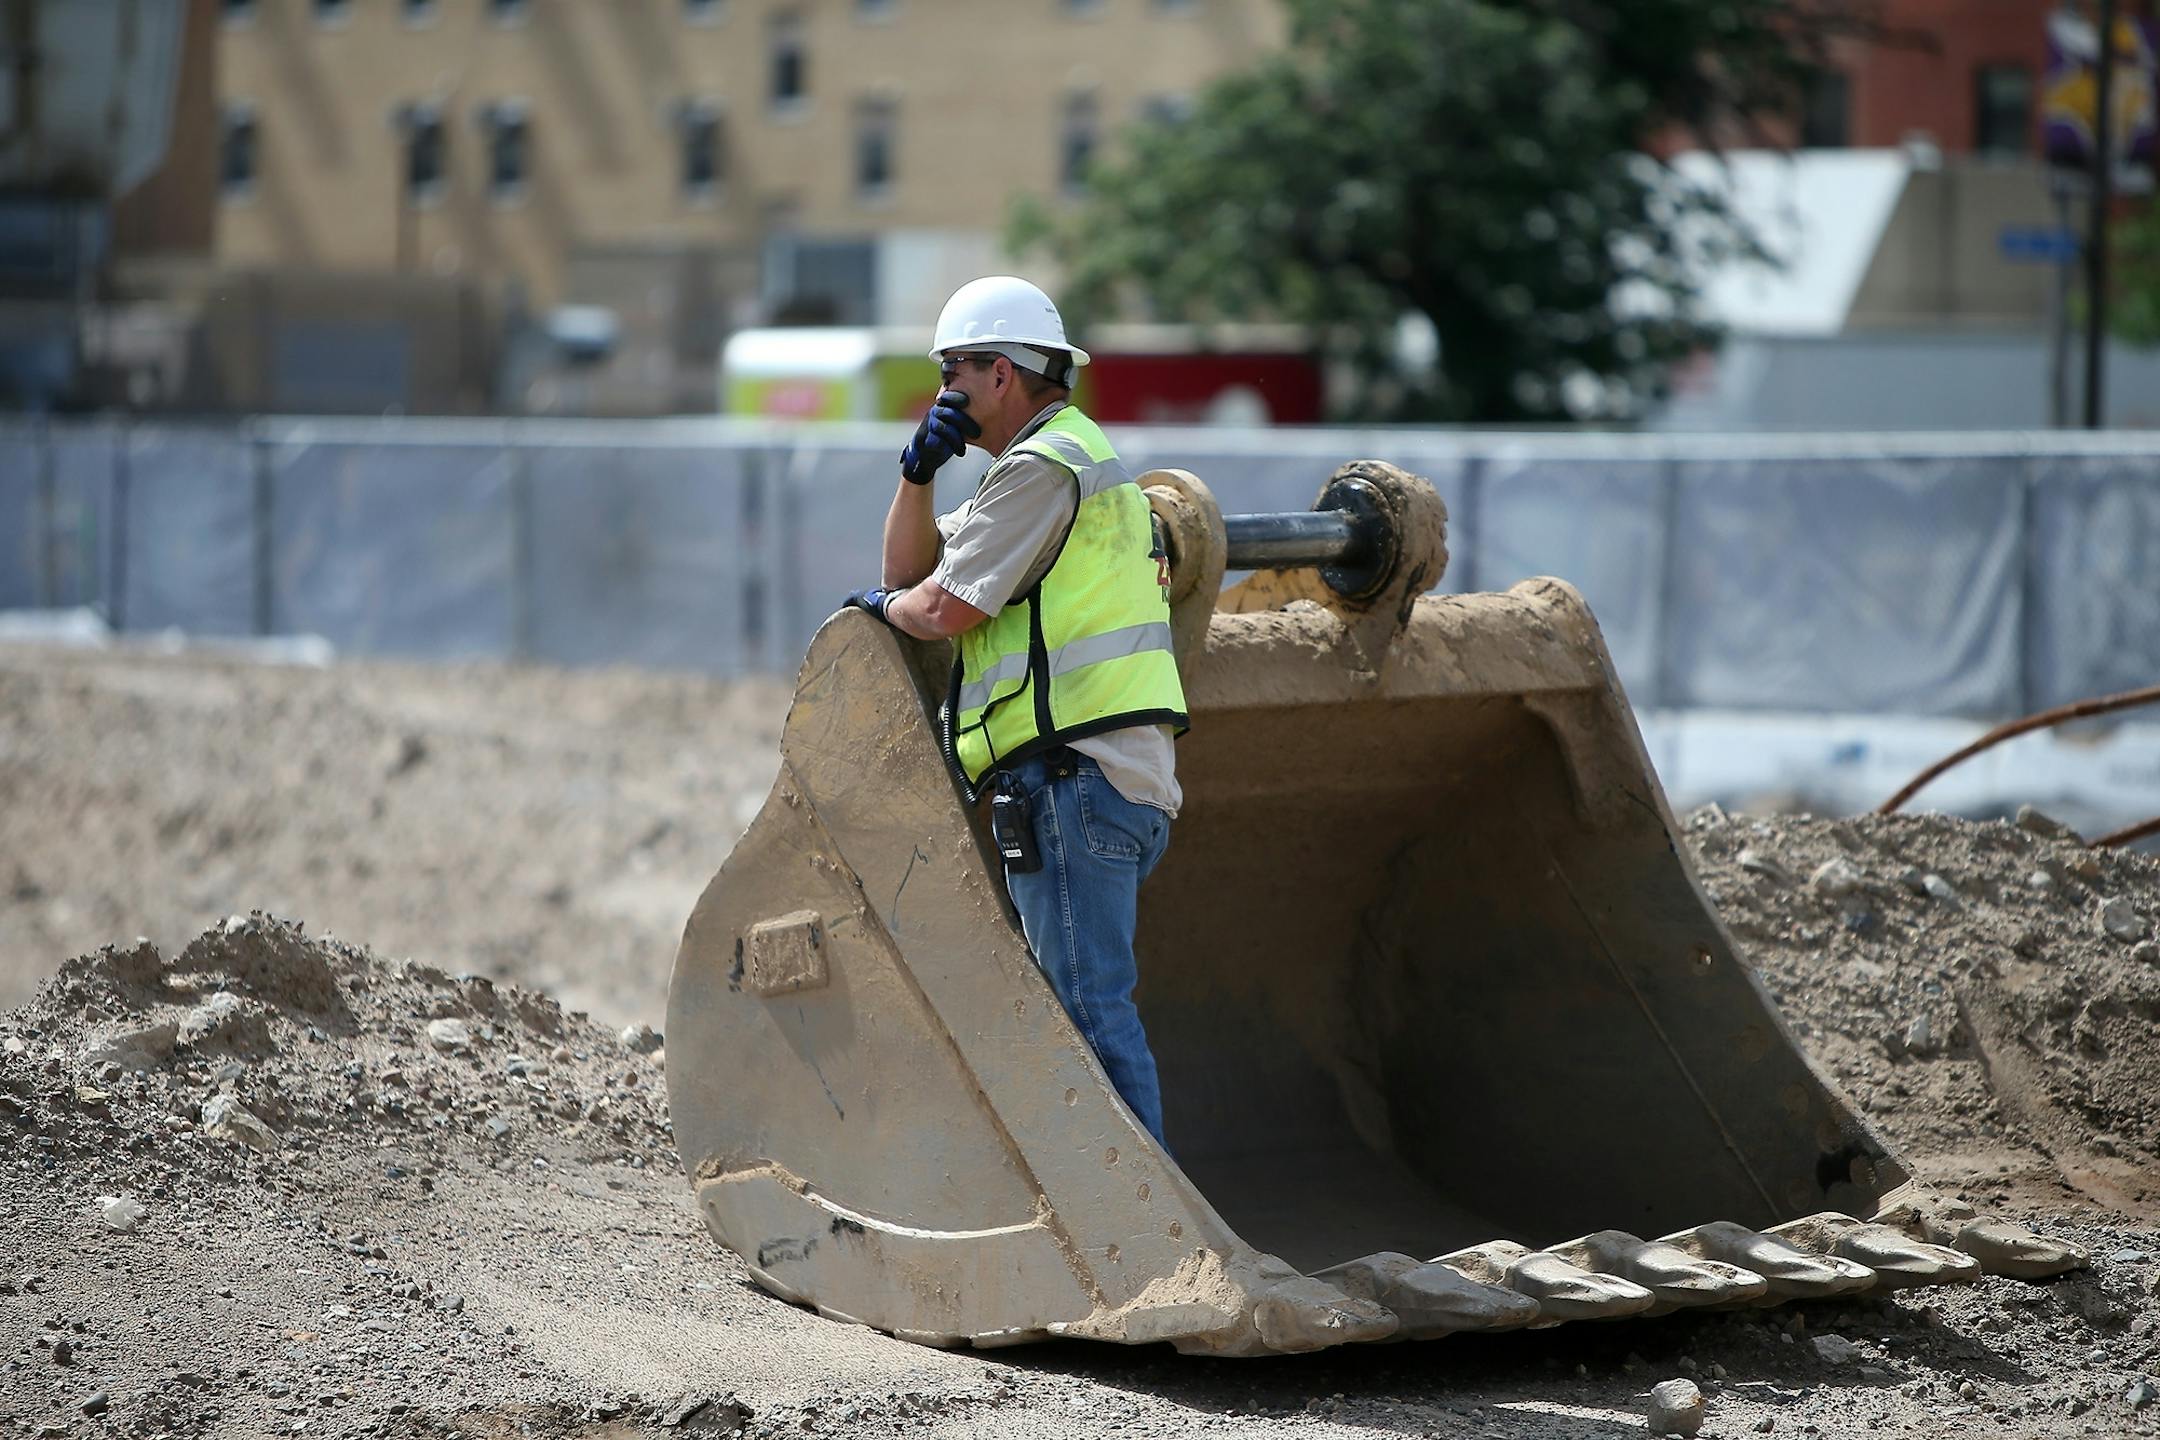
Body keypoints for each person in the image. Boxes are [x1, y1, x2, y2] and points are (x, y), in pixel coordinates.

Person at [842, 275, 1186, 1146]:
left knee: (1085, 1023)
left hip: (1074, 782)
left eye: (953, 370)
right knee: (1085, 1011)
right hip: (1111, 784)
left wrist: (879, 613)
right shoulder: (1059, 464)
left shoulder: (1040, 470)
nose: (943, 391)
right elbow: (909, 568)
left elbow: (937, 606)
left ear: (999, 373)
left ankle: (1151, 1244)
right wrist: (915, 476)